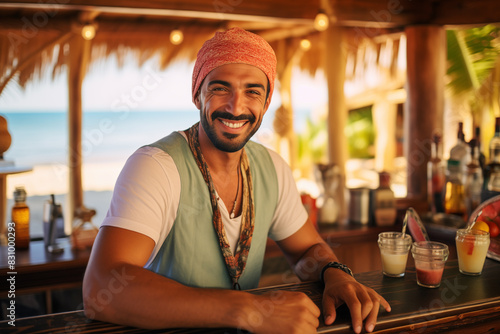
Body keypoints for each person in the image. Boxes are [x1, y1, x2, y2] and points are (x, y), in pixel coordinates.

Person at [82, 27, 390, 334]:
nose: (236, 106)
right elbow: (100, 290)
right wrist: (250, 310)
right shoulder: (156, 166)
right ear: (197, 94)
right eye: (220, 88)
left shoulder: (272, 167)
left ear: (267, 102)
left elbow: (306, 249)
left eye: (252, 91)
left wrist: (334, 272)